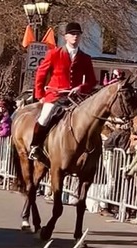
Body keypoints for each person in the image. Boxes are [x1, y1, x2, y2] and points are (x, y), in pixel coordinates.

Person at [29, 21, 97, 163]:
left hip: (75, 98)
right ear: (65, 37)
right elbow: (41, 73)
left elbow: (92, 81)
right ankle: (35, 146)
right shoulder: (54, 54)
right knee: (45, 117)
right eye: (72, 34)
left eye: (78, 34)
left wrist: (80, 88)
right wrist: (40, 95)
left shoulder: (85, 58)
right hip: (55, 95)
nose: (75, 37)